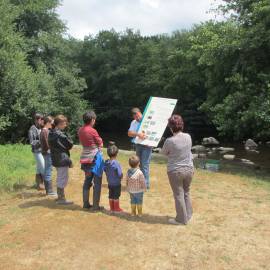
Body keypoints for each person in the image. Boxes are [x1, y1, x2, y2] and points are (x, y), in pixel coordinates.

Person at [161, 114, 194, 225]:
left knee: (178, 194)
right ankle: (188, 215)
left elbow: (164, 153)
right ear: (181, 125)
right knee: (186, 192)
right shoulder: (188, 136)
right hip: (189, 169)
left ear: (171, 127)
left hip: (175, 171)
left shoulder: (169, 141)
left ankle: (181, 220)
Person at [78, 111, 104, 211]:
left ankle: (85, 204)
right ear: (92, 120)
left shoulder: (80, 130)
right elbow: (100, 143)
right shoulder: (93, 130)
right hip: (94, 158)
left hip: (84, 158)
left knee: (87, 181)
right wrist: (100, 141)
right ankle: (95, 206)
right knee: (97, 182)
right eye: (94, 120)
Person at [48, 115, 74, 205]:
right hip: (62, 159)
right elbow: (70, 144)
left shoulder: (51, 132)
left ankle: (60, 197)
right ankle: (61, 199)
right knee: (63, 178)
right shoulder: (59, 134)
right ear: (59, 124)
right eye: (64, 123)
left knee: (60, 177)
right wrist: (66, 134)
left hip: (55, 158)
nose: (66, 125)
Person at [128, 107, 152, 189]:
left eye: (138, 116)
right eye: (135, 117)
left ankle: (146, 185)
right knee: (139, 164)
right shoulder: (133, 122)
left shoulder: (148, 120)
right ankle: (142, 183)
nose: (137, 118)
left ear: (140, 113)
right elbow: (129, 133)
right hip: (138, 145)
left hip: (147, 145)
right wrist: (138, 134)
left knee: (145, 165)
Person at [104, 143, 123, 213]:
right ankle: (116, 208)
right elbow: (120, 174)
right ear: (116, 154)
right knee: (116, 196)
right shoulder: (116, 163)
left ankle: (111, 208)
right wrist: (121, 176)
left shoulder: (106, 162)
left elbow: (105, 169)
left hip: (110, 183)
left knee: (111, 195)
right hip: (117, 183)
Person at [40, 116, 56, 196]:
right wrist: (51, 150)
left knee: (48, 170)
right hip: (47, 153)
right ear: (48, 123)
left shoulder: (45, 131)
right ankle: (49, 191)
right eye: (52, 122)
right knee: (48, 171)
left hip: (46, 153)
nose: (52, 124)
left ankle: (49, 190)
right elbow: (47, 144)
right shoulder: (45, 131)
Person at [28, 113, 45, 190]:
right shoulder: (32, 129)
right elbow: (32, 142)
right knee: (43, 167)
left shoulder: (42, 128)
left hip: (43, 151)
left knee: (39, 168)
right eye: (41, 119)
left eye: (42, 119)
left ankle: (39, 184)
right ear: (36, 120)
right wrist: (41, 141)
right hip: (37, 151)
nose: (42, 121)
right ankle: (47, 185)